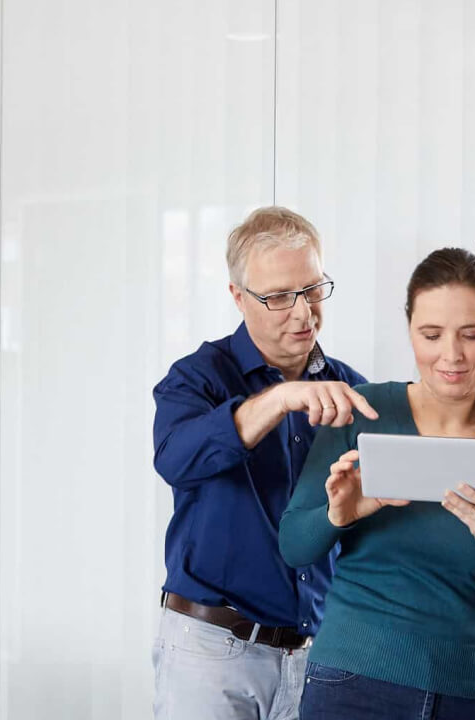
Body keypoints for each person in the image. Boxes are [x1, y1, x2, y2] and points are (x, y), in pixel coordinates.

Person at [280, 247, 475, 720]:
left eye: (471, 334)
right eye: (431, 335)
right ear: (410, 331)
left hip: (467, 693)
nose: (451, 355)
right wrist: (337, 516)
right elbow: (293, 546)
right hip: (351, 683)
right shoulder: (363, 411)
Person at [151, 206, 375, 720]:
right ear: (237, 297)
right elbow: (176, 459)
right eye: (277, 297)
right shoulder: (196, 379)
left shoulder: (352, 391)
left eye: (313, 290)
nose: (303, 313)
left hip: (317, 655)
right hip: (210, 653)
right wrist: (279, 400)